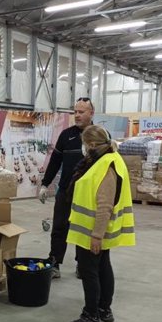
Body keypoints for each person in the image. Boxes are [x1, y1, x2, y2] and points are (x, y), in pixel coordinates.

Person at [65, 125, 136, 322]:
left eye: (85, 144)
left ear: (93, 144)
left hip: (92, 231)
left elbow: (105, 205)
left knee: (90, 272)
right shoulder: (107, 160)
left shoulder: (106, 165)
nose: (84, 148)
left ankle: (91, 314)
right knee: (103, 266)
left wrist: (97, 235)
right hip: (95, 229)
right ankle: (104, 309)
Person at [38, 98, 95, 279]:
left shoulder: (100, 136)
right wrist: (45, 184)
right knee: (59, 228)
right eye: (75, 112)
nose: (77, 115)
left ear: (91, 113)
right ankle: (54, 262)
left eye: (81, 112)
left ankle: (83, 265)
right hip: (65, 192)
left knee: (84, 230)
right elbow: (55, 161)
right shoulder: (66, 135)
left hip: (88, 195)